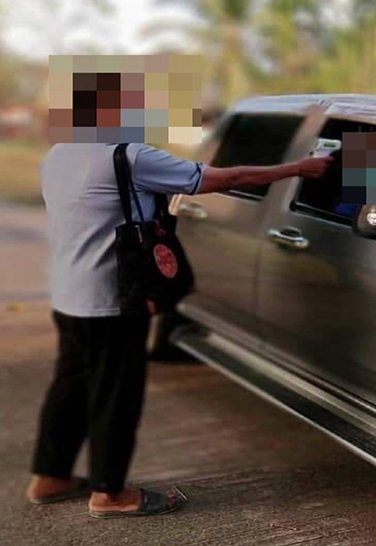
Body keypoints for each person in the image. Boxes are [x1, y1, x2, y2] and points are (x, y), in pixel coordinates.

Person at [26, 143, 333, 518]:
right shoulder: (132, 157)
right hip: (113, 298)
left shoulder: (58, 153)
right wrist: (297, 168)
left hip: (69, 292)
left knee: (70, 386)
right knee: (115, 395)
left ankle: (50, 478)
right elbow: (229, 178)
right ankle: (110, 495)